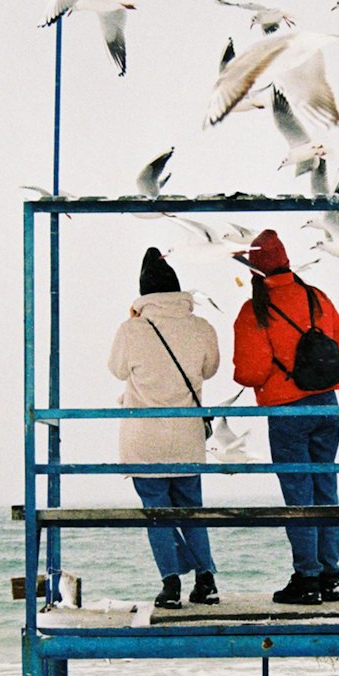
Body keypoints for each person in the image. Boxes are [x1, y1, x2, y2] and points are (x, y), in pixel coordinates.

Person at [232, 229, 339, 606]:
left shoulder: (256, 310)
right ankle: (331, 575)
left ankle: (308, 578)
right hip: (326, 407)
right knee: (325, 489)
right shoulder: (315, 296)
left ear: (254, 271)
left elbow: (249, 373)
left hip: (286, 410)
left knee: (298, 495)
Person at [108, 248, 221, 608]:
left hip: (145, 441)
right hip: (187, 438)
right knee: (191, 510)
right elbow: (210, 370)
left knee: (158, 513)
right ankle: (206, 581)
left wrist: (134, 320)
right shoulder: (201, 327)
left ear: (144, 295)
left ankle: (171, 583)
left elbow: (117, 370)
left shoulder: (132, 329)